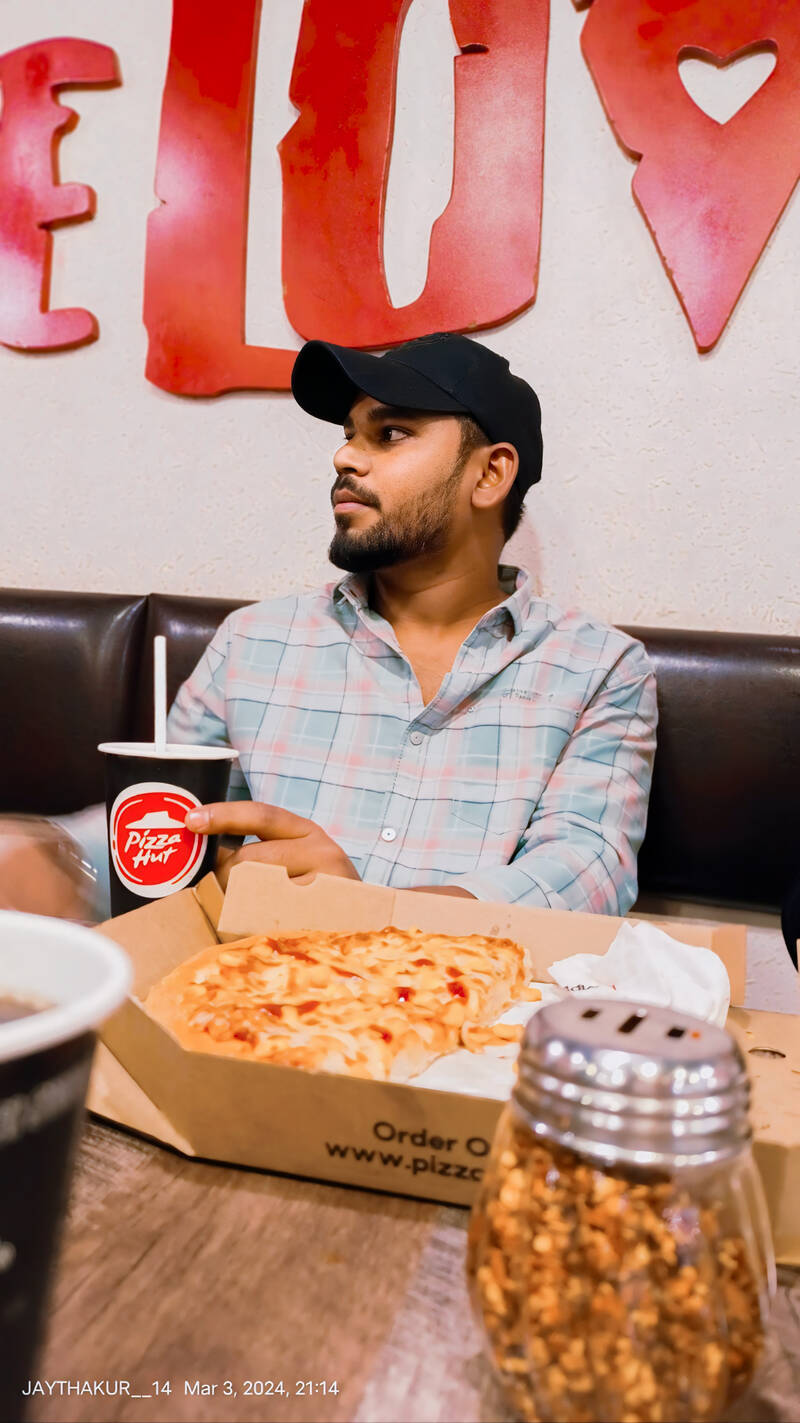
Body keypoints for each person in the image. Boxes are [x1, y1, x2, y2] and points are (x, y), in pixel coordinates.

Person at [3, 333, 657, 917]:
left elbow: (585, 872)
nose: (345, 457)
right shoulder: (253, 642)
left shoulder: (598, 667)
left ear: (490, 473)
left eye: (390, 433)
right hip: (251, 990)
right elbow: (168, 821)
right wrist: (59, 859)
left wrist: (366, 914)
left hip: (474, 1001)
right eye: (349, 433)